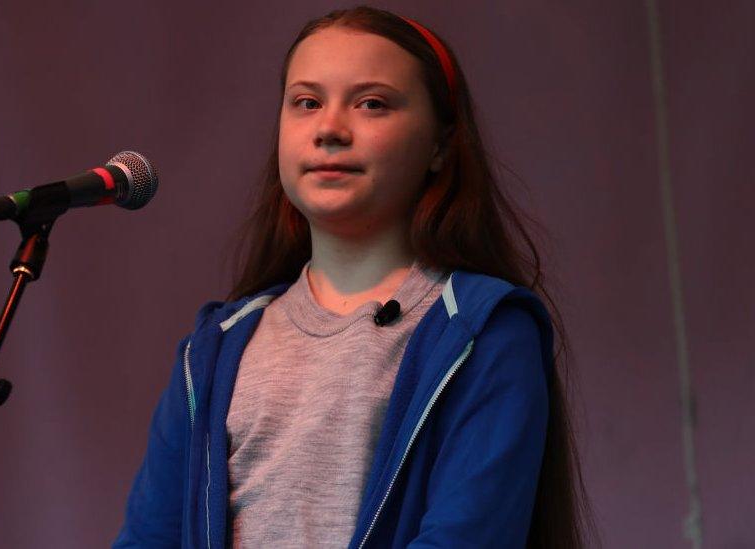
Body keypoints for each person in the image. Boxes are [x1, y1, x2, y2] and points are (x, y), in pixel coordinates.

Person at [114, 6, 592, 548]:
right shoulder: (215, 350)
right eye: (307, 102)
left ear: (440, 144)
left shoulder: (483, 332)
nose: (329, 129)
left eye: (372, 104)